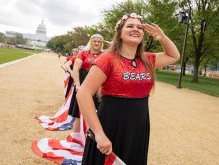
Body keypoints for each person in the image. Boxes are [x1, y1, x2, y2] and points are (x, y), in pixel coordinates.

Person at [77, 13, 180, 165]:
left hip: (138, 126)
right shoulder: (108, 59)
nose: (135, 29)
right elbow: (83, 93)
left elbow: (173, 56)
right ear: (119, 33)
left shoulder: (147, 59)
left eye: (139, 27)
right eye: (130, 26)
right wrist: (99, 134)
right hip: (111, 125)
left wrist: (163, 37)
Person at [69, 34, 105, 133]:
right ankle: (75, 138)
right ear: (90, 42)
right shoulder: (83, 53)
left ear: (102, 43)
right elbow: (75, 70)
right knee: (79, 113)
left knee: (97, 113)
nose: (97, 43)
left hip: (98, 87)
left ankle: (91, 137)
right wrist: (78, 85)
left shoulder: (104, 55)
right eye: (94, 41)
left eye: (99, 41)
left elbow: (117, 50)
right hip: (83, 85)